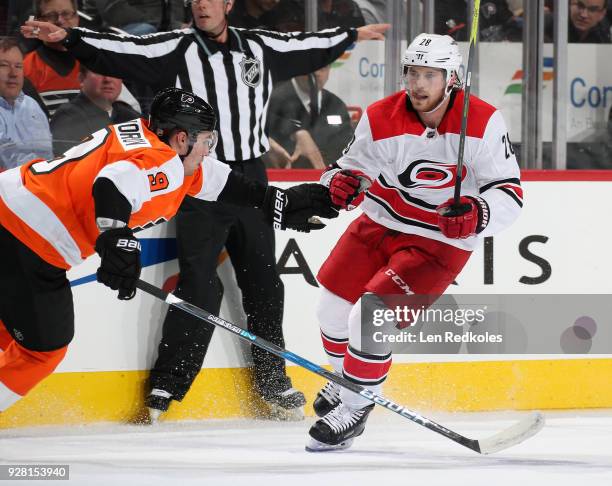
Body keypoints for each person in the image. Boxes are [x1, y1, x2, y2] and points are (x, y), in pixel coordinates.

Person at [21, 0, 389, 421]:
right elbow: (121, 51)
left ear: (228, 3)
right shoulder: (175, 48)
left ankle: (272, 382)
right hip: (192, 175)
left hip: (246, 176)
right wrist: (71, 38)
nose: (200, 4)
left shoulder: (257, 46)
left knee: (265, 284)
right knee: (198, 284)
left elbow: (301, 45)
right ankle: (168, 384)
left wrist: (347, 36)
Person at [0, 87, 337, 413]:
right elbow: (113, 182)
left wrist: (278, 200)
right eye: (207, 141)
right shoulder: (164, 162)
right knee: (42, 349)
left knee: (7, 333)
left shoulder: (153, 142)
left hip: (11, 201)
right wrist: (116, 234)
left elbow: (218, 180)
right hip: (28, 237)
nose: (208, 150)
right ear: (181, 139)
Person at [305, 33, 523, 451]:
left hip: (439, 242)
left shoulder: (482, 121)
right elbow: (348, 169)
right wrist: (342, 183)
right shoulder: (381, 115)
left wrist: (481, 213)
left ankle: (353, 407)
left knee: (369, 320)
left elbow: (508, 193)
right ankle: (345, 378)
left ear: (452, 78)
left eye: (430, 75)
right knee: (330, 308)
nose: (418, 84)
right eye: (412, 73)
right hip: (380, 223)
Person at [267, 65, 353, 169]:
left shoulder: (336, 104)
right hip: (287, 179)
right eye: (312, 66)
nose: (316, 73)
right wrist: (295, 131)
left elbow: (347, 146)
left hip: (329, 178)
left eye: (323, 67)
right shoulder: (271, 100)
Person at [51, 65, 140, 155]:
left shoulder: (130, 116)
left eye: (114, 73)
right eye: (99, 72)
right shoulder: (68, 117)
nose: (108, 79)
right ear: (81, 79)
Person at [0, 37, 52, 171]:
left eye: (18, 66)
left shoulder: (32, 105)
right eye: (4, 65)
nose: (13, 73)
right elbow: (9, 161)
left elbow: (48, 154)